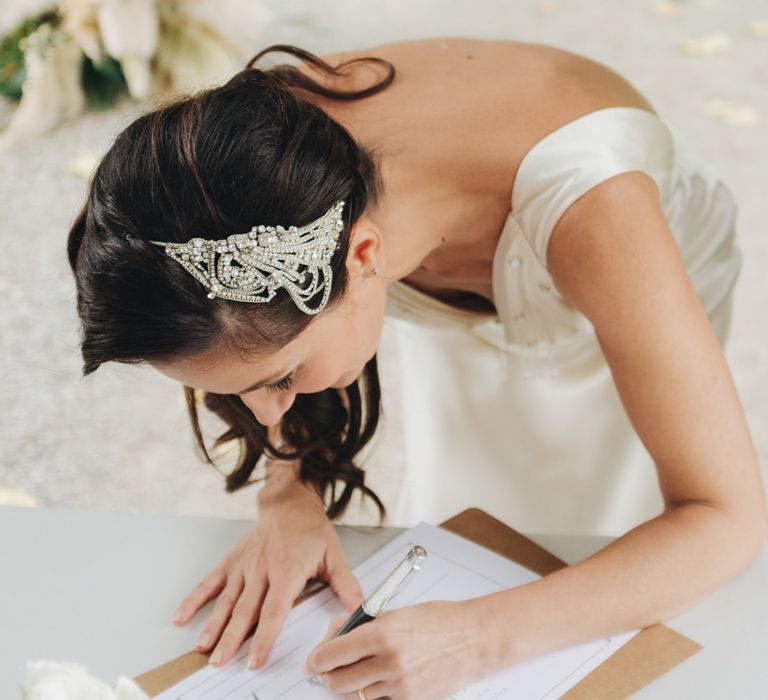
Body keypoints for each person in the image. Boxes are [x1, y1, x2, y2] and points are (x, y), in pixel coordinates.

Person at [67, 37, 766, 699]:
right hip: (439, 271)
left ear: (366, 257)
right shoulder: (226, 187)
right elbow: (245, 341)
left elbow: (725, 516)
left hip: (625, 282)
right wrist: (289, 492)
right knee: (468, 527)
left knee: (626, 543)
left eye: (280, 381)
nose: (270, 415)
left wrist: (483, 636)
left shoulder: (598, 207)